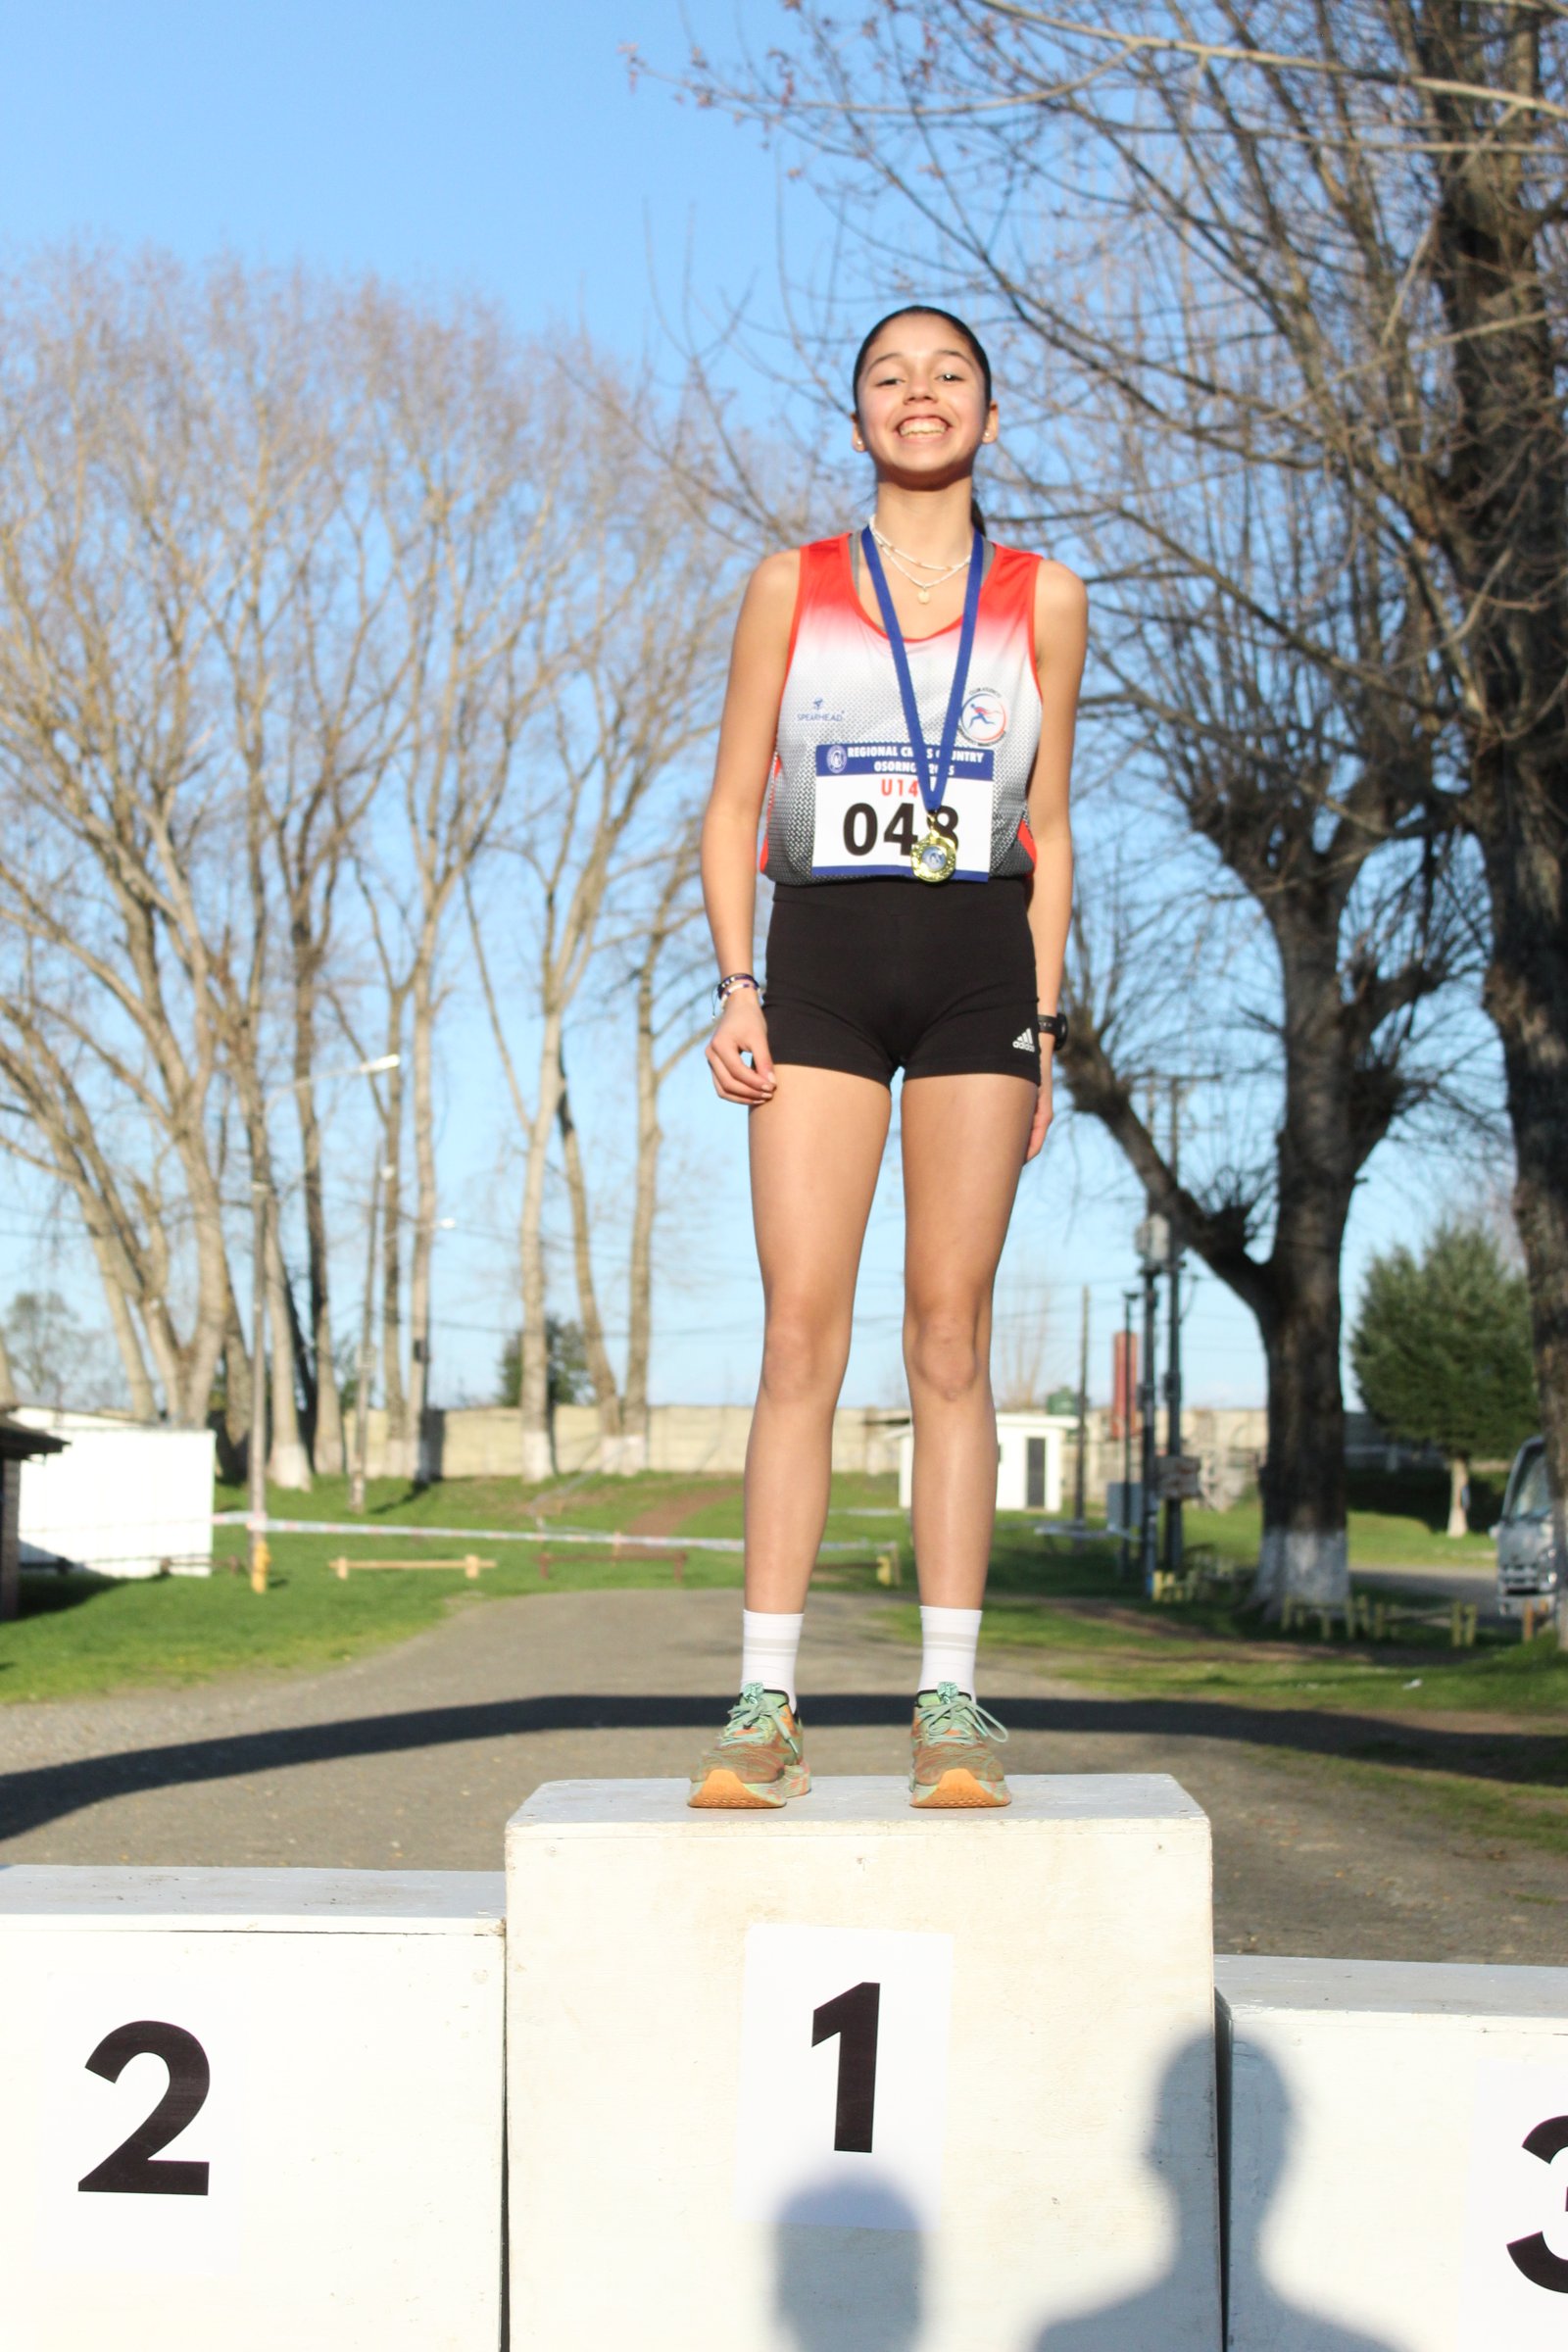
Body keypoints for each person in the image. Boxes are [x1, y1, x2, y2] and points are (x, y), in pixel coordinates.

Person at [690, 306, 1086, 1811]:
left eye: (949, 376)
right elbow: (735, 805)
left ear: (988, 412)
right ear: (858, 417)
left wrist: (1045, 1025)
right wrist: (738, 985)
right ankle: (765, 1703)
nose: (919, 396)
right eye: (889, 377)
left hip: (982, 979)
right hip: (824, 980)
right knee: (802, 1332)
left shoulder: (1045, 598)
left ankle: (952, 1701)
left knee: (949, 1335)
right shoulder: (788, 586)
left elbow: (1052, 829)